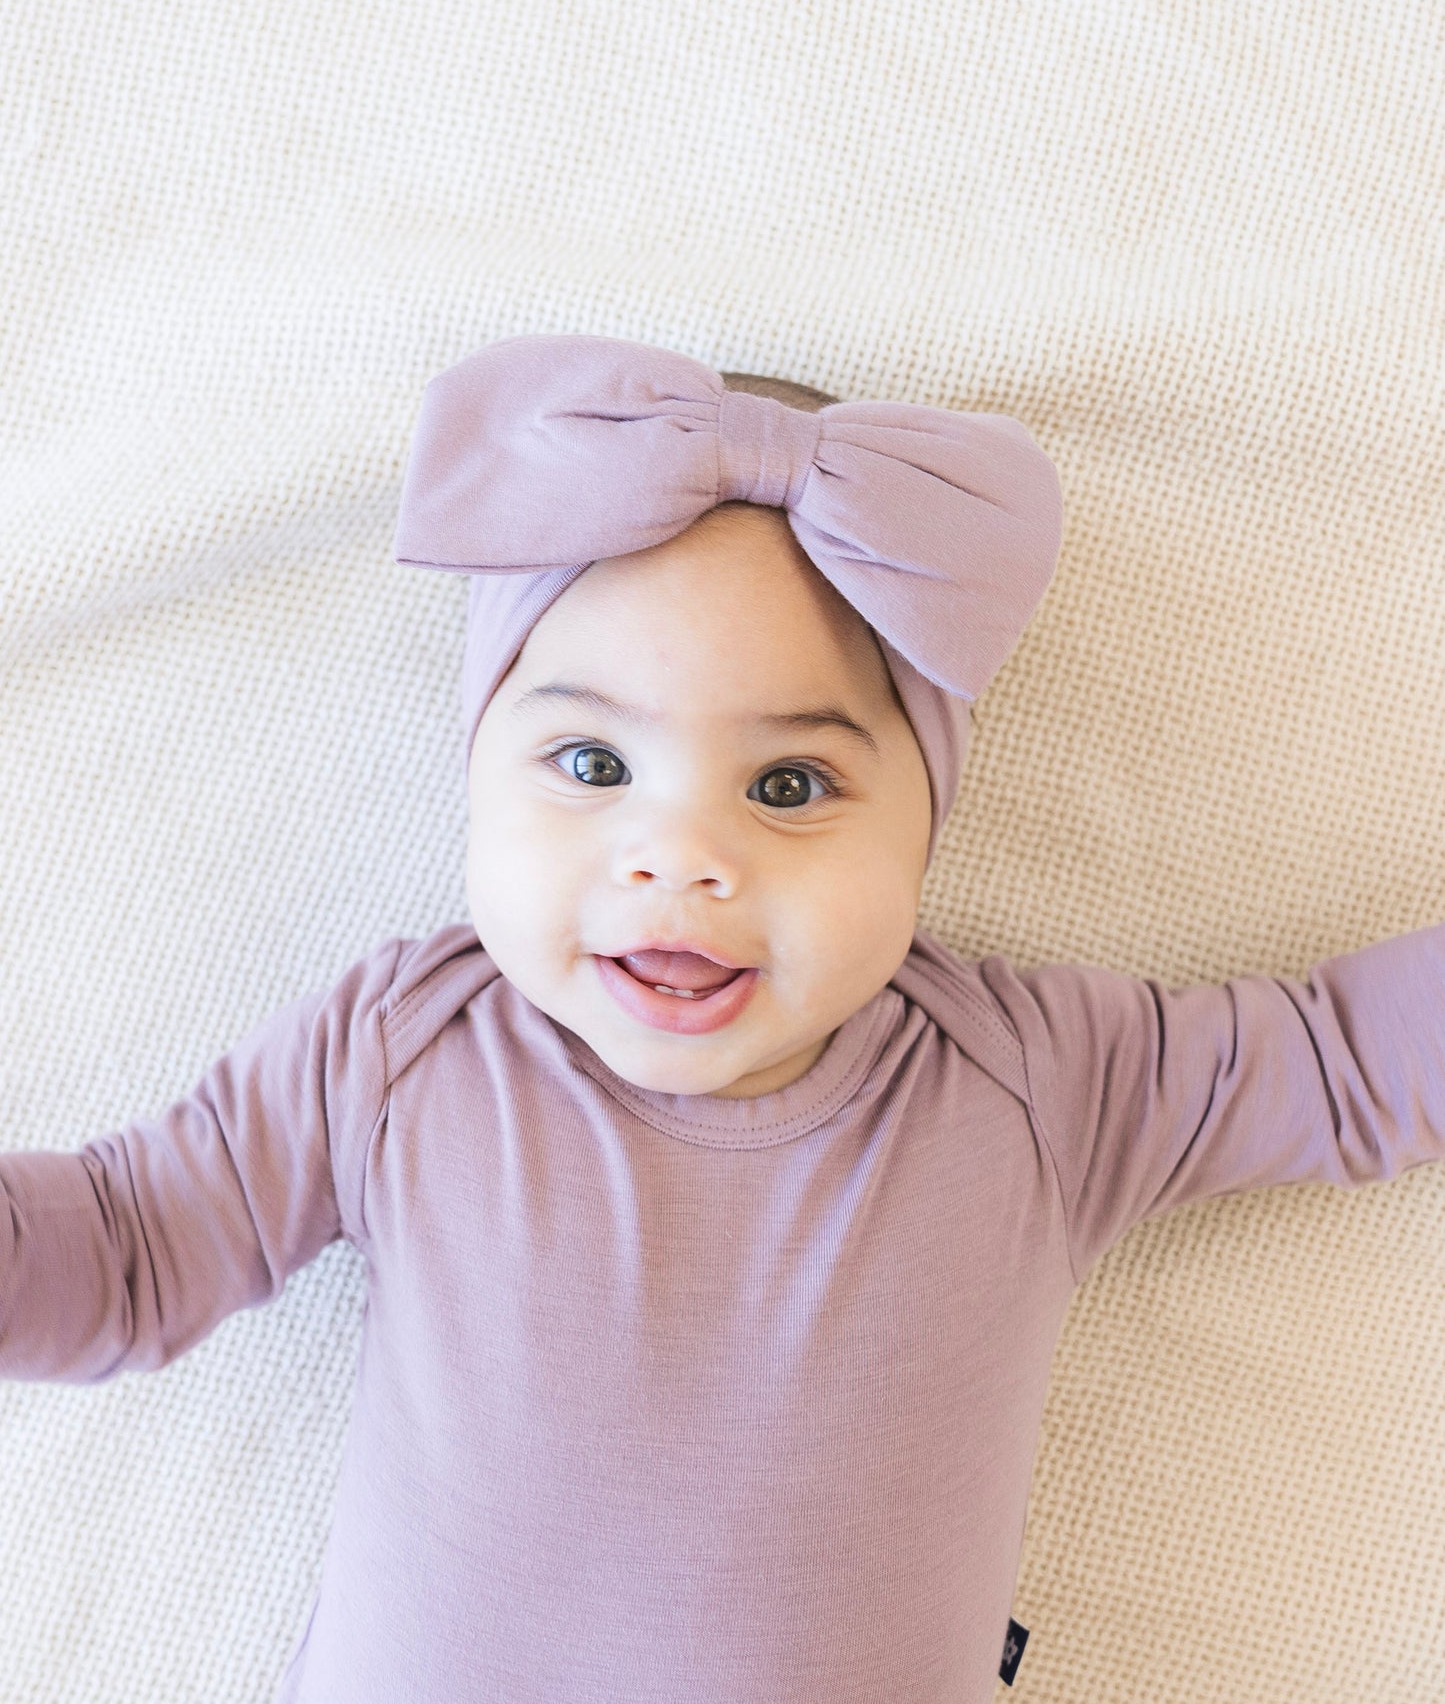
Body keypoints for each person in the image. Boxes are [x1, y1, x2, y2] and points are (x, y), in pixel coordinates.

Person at [2, 334, 1441, 1704]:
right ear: (476, 776)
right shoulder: (403, 1049)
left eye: (790, 787)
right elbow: (128, 1247)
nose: (681, 853)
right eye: (589, 759)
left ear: (924, 827)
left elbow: (1343, 1060)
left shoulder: (1035, 1083)